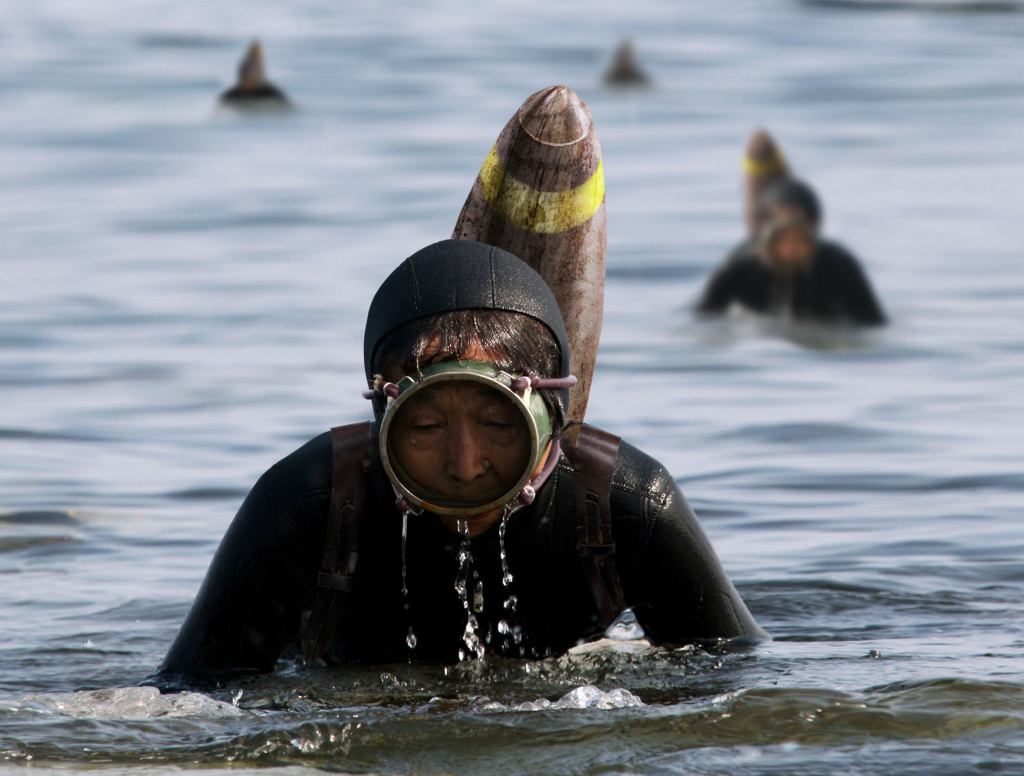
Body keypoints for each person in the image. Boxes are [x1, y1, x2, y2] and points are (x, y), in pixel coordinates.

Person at [152, 239, 763, 690]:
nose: (466, 465)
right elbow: (193, 690)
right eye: (424, 426)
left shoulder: (622, 500)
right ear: (382, 418)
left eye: (499, 424)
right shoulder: (311, 500)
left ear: (550, 418)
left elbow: (735, 675)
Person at [698, 172, 886, 327]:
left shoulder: (838, 265)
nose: (789, 245)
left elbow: (874, 325)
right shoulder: (741, 264)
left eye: (799, 233)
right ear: (760, 232)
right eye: (779, 234)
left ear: (815, 230)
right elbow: (702, 319)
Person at [219, 40, 291, 110]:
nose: (254, 75)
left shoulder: (271, 93)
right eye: (250, 71)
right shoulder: (230, 96)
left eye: (258, 70)